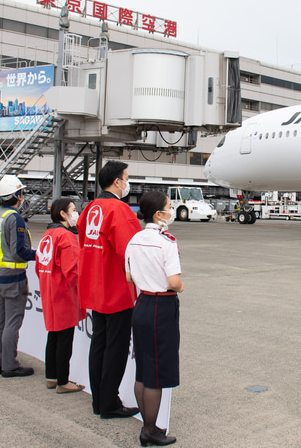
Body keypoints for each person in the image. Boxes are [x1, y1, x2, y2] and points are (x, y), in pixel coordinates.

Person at [77, 160, 142, 418]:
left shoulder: (90, 208)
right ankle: (109, 403)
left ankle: (99, 401)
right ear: (117, 181)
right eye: (126, 178)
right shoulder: (119, 209)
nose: (127, 183)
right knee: (116, 348)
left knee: (99, 345)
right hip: (116, 289)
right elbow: (131, 252)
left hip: (95, 286)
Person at [125, 191, 184, 447]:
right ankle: (149, 430)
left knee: (144, 370)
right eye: (169, 207)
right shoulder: (166, 243)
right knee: (157, 373)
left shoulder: (134, 240)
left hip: (142, 304)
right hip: (162, 305)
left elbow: (129, 277)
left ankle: (148, 424)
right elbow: (174, 282)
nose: (171, 211)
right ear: (158, 214)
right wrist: (181, 286)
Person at [0, 174, 36, 377]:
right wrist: (39, 255)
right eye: (21, 192)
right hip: (13, 276)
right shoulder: (14, 218)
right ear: (17, 195)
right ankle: (9, 365)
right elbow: (19, 251)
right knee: (12, 323)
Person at [35, 198, 86, 394]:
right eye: (73, 210)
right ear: (63, 214)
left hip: (49, 289)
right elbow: (72, 270)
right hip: (64, 292)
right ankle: (63, 381)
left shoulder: (47, 235)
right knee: (65, 337)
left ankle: (52, 376)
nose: (76, 213)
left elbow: (40, 266)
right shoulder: (66, 237)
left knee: (53, 335)